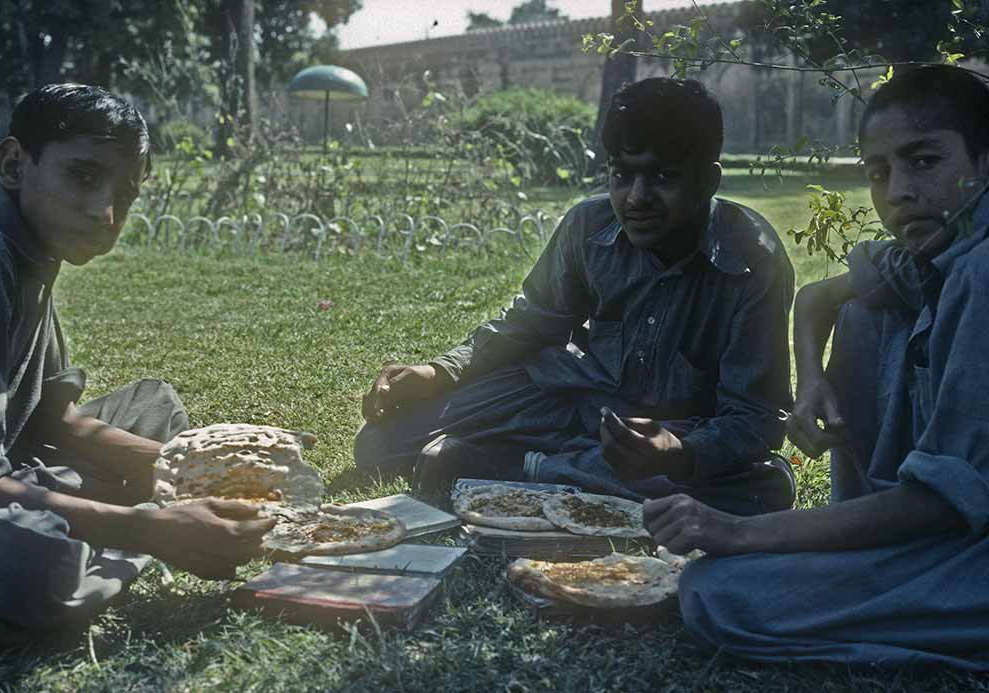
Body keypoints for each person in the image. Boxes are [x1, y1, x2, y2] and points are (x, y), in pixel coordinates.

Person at [668, 65, 989, 670]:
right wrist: (810, 383)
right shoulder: (939, 247)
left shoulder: (983, 268)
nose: (897, 192)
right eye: (879, 172)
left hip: (963, 541)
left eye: (925, 161)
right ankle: (866, 550)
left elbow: (945, 505)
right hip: (938, 529)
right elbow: (817, 299)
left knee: (721, 596)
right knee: (864, 309)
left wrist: (738, 533)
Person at [355, 78, 797, 516]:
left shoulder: (752, 259)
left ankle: (523, 466)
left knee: (763, 489)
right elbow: (530, 320)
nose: (637, 197)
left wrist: (680, 452)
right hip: (565, 399)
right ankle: (566, 465)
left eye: (663, 176)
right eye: (622, 175)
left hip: (669, 431)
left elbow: (755, 415)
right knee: (380, 443)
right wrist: (439, 371)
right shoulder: (588, 223)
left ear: (708, 181)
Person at [0, 84, 274, 645]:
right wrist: (147, 528)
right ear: (12, 163)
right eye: (82, 176)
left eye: (126, 193)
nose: (106, 211)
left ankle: (113, 531)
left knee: (154, 407)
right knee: (32, 558)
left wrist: (186, 464)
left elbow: (56, 416)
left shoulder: (29, 248)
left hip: (1, 466)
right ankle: (117, 541)